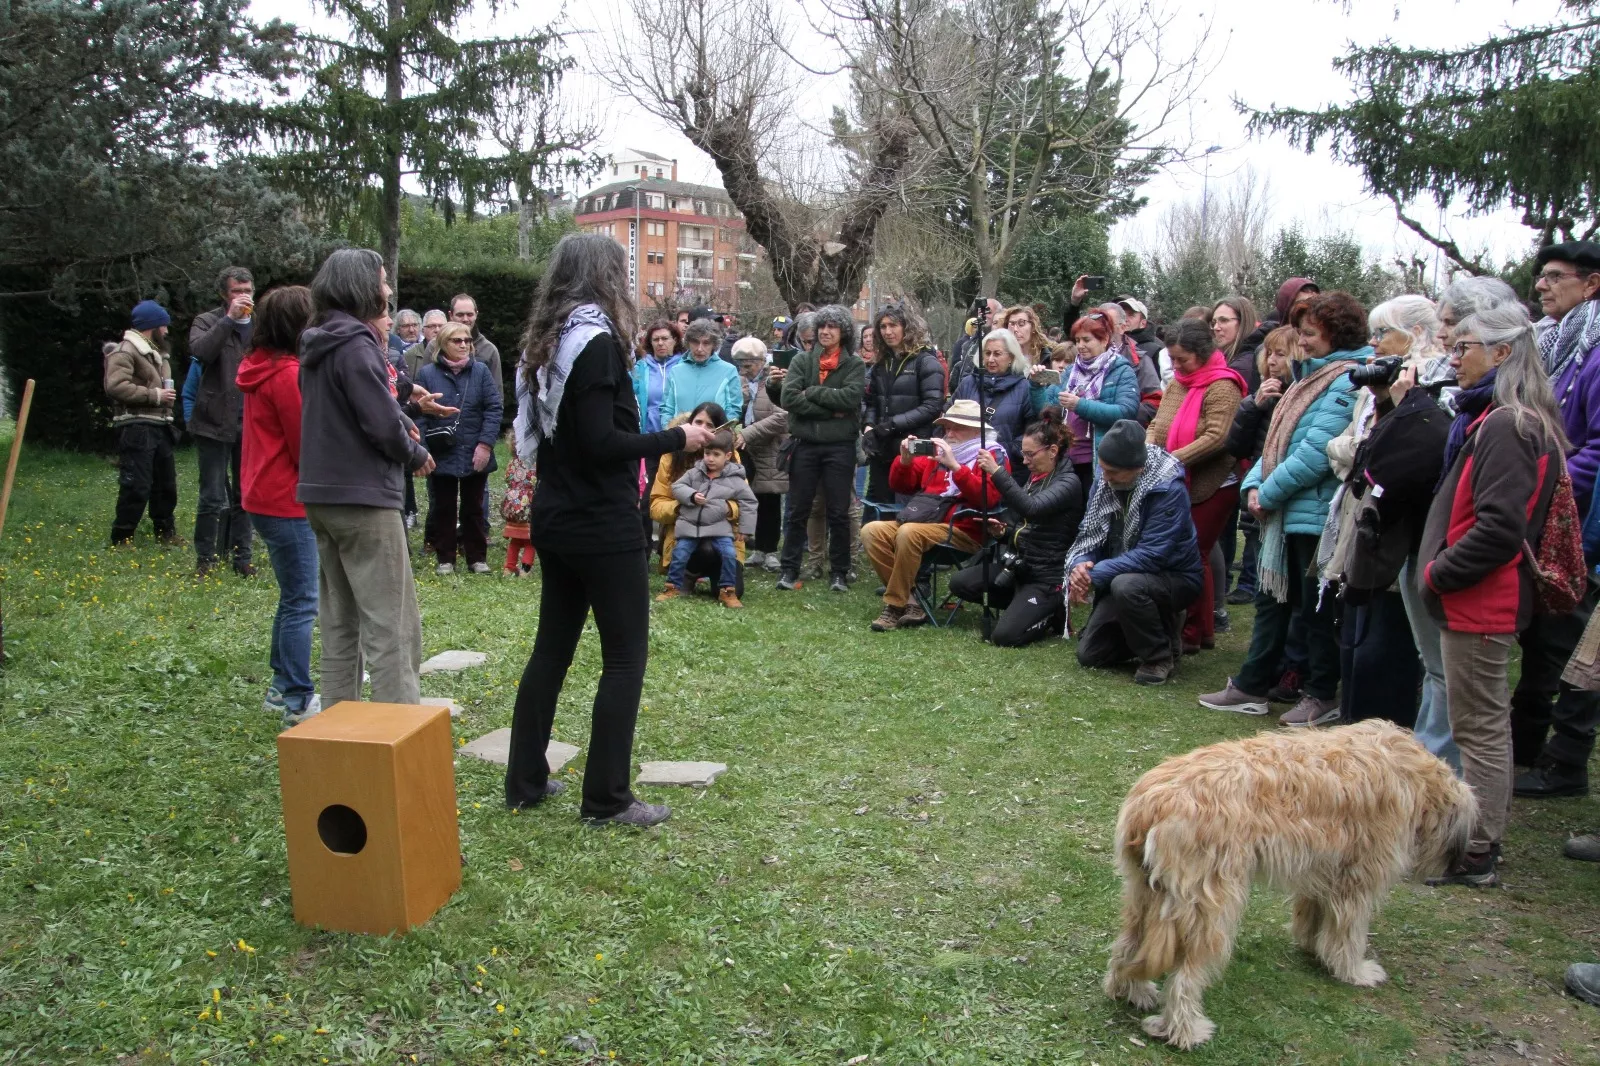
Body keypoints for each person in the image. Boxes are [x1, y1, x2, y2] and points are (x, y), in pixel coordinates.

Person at [504, 233, 713, 828]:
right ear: (605, 278)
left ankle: (524, 782)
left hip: (559, 516)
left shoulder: (549, 342)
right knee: (624, 657)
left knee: (553, 649)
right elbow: (600, 444)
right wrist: (679, 438)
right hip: (597, 523)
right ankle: (606, 799)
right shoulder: (593, 344)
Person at [1419, 303, 1569, 888]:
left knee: (1479, 726)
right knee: (1475, 720)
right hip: (1475, 598)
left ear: (1502, 354)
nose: (1455, 357)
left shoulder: (1509, 424)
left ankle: (1477, 848)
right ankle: (1471, 841)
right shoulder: (1508, 420)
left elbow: (1500, 529)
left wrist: (1438, 573)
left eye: (1466, 347)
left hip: (1482, 602)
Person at [1200, 292, 1374, 724]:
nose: (1303, 341)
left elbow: (1316, 453)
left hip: (1314, 516)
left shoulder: (1346, 379)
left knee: (1315, 613)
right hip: (1285, 513)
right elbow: (1275, 443)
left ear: (1337, 335)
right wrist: (1255, 484)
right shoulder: (1307, 378)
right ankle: (1252, 685)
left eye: (1311, 334)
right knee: (1271, 603)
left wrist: (1267, 492)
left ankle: (1320, 694)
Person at [298, 249, 435, 706]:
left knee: (340, 621)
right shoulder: (358, 344)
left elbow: (346, 404)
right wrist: (414, 453)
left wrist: (398, 396)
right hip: (363, 501)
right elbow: (378, 424)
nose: (389, 291)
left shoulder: (319, 342)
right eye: (382, 282)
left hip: (322, 497)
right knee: (393, 626)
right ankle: (400, 737)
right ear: (361, 287)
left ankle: (342, 731)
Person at [1514, 240, 1600, 799]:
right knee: (1545, 636)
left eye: (1553, 276)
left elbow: (1596, 446)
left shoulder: (1594, 351)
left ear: (1590, 284)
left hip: (1580, 522)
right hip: (1548, 514)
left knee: (1573, 643)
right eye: (1540, 276)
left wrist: (1546, 480)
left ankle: (1565, 759)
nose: (1541, 285)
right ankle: (1527, 744)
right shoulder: (1553, 345)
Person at [236, 285, 320, 726]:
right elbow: (304, 443)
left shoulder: (259, 365)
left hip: (262, 494)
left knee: (293, 597)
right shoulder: (287, 375)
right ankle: (295, 697)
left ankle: (279, 686)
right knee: (303, 600)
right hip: (285, 499)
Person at [1067, 420, 1203, 684]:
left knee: (1126, 586)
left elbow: (1153, 554)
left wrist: (1095, 575)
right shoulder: (1106, 480)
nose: (1105, 478)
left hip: (1173, 576)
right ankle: (1155, 628)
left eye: (1113, 472)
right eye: (1103, 469)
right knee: (1090, 654)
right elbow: (1089, 533)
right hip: (1121, 573)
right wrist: (1081, 566)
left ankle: (1158, 657)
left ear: (1138, 469)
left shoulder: (1167, 489)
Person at [1145, 318, 1246, 653]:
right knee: (1183, 554)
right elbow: (1158, 422)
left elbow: (1218, 436)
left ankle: (1195, 631)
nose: (1175, 366)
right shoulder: (1178, 383)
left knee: (1194, 554)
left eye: (1182, 359)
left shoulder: (1223, 386)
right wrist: (1147, 450)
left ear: (1202, 353)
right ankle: (1196, 629)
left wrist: (1171, 460)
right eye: (1172, 359)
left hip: (1213, 484)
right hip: (1173, 478)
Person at [860, 399, 1007, 631]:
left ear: (977, 431)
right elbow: (901, 485)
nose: (949, 432)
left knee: (909, 532)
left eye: (956, 427)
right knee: (871, 530)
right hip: (925, 522)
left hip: (964, 529)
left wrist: (956, 468)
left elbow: (989, 499)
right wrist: (904, 462)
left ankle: (894, 606)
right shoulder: (937, 454)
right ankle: (911, 603)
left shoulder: (992, 456)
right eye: (947, 427)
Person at [950, 406, 1084, 646]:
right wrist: (1004, 533)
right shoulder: (1034, 479)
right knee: (960, 583)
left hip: (1046, 577)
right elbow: (1027, 525)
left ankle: (1052, 609)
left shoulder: (1068, 483)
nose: (1025, 461)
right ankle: (1023, 606)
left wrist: (996, 471)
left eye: (1031, 455)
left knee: (1005, 637)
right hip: (1018, 568)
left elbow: (1031, 509)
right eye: (1023, 454)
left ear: (1053, 451)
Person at [776, 305, 866, 593]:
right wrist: (831, 408)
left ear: (844, 332)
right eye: (822, 327)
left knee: (839, 511)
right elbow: (789, 398)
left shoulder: (854, 364)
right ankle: (789, 568)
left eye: (832, 327)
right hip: (805, 445)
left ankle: (839, 571)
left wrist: (812, 393)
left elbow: (851, 400)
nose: (826, 332)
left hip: (840, 448)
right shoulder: (802, 360)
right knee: (797, 508)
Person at [416, 321, 504, 574]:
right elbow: (419, 414)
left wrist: (485, 444)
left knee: (474, 506)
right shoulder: (427, 375)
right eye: (457, 341)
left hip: (475, 447)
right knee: (442, 506)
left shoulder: (481, 372)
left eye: (466, 340)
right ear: (443, 344)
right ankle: (445, 558)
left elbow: (493, 408)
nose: (464, 345)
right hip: (441, 450)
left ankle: (477, 557)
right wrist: (423, 449)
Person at [1224, 326, 1300, 604]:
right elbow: (1236, 445)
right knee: (1252, 534)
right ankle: (1249, 584)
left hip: (1280, 484)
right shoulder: (1261, 395)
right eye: (1269, 353)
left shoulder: (1299, 395)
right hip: (1257, 476)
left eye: (1281, 354)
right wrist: (1252, 406)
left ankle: (1259, 588)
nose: (1271, 361)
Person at [189, 265, 256, 577]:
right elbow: (201, 351)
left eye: (247, 291)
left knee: (246, 495)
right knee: (212, 494)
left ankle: (243, 559)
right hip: (213, 421)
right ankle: (206, 559)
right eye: (236, 291)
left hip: (250, 422)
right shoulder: (207, 321)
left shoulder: (260, 325)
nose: (243, 297)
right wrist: (229, 319)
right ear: (223, 294)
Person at [649, 404, 749, 592]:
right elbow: (656, 505)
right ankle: (688, 572)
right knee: (702, 546)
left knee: (734, 590)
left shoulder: (731, 456)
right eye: (698, 422)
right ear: (689, 424)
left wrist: (727, 508)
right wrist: (682, 508)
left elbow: (746, 502)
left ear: (720, 429)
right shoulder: (671, 455)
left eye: (710, 425)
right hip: (683, 534)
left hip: (723, 535)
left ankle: (717, 574)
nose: (702, 429)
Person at [104, 301, 180, 547]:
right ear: (152, 326)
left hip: (160, 424)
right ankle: (122, 536)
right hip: (137, 426)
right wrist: (155, 396)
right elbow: (115, 387)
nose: (167, 331)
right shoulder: (126, 351)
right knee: (136, 484)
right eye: (163, 325)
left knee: (165, 484)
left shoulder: (154, 352)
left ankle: (165, 532)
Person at [657, 430, 757, 608]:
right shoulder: (695, 472)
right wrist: (691, 495)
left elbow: (749, 502)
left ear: (727, 456)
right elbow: (677, 487)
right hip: (689, 526)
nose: (710, 458)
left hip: (720, 528)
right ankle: (672, 587)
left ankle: (728, 591)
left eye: (716, 454)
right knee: (679, 554)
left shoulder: (735, 479)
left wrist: (746, 529)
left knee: (729, 554)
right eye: (707, 453)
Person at [863, 303, 947, 504]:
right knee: (880, 508)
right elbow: (871, 401)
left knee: (908, 509)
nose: (887, 332)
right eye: (882, 327)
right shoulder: (881, 364)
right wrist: (869, 426)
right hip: (882, 446)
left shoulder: (926, 362)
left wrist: (892, 424)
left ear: (906, 327)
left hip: (915, 446)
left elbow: (933, 405)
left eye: (893, 325)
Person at [1058, 311, 1140, 487]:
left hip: (1098, 460)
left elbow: (1126, 412)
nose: (1080, 346)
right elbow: (1048, 408)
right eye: (1077, 340)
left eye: (1086, 340)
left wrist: (1080, 405)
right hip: (1066, 459)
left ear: (1104, 340)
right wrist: (1037, 386)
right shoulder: (1071, 372)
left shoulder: (1122, 370)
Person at [731, 338, 787, 570]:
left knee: (770, 498)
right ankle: (757, 548)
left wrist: (748, 433)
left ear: (762, 361)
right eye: (741, 364)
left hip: (769, 447)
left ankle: (770, 549)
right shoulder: (740, 382)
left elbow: (782, 416)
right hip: (748, 448)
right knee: (751, 498)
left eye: (749, 364)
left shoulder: (775, 380)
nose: (744, 369)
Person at [631, 318, 684, 552]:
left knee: (678, 493)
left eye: (665, 339)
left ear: (675, 341)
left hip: (679, 439)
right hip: (649, 440)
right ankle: (644, 547)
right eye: (656, 340)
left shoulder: (684, 366)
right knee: (647, 496)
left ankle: (673, 548)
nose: (661, 343)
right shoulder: (641, 369)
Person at [954, 328, 1037, 469]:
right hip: (966, 465)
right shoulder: (968, 383)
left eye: (997, 354)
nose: (991, 359)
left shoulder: (1024, 388)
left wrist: (1005, 451)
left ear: (1011, 357)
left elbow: (1032, 430)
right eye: (987, 353)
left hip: (1006, 467)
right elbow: (951, 420)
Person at [663, 317, 742, 422]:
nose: (700, 349)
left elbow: (734, 410)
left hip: (713, 436)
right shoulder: (676, 371)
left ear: (714, 344)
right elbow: (667, 409)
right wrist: (670, 432)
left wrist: (719, 435)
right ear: (688, 343)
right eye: (695, 342)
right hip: (680, 435)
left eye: (706, 343)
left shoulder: (729, 371)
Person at [449, 293, 504, 400]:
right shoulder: (435, 346)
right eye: (460, 315)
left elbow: (496, 395)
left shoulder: (489, 350)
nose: (465, 319)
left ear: (476, 314)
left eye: (469, 314)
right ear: (451, 315)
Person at [1210, 296, 1262, 394]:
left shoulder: (1242, 367)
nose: (1216, 327)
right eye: (1214, 322)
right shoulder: (1227, 357)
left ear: (1243, 323)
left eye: (1224, 320)